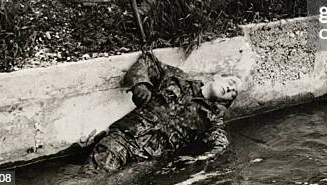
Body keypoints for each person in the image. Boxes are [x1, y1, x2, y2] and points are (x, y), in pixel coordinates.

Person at [86, 50, 241, 172]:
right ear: (218, 76)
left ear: (225, 101)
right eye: (232, 82)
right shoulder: (178, 79)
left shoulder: (211, 120)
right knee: (93, 178)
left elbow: (221, 145)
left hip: (146, 163)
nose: (230, 88)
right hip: (123, 140)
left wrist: (199, 159)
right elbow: (148, 60)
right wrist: (140, 84)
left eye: (233, 93)